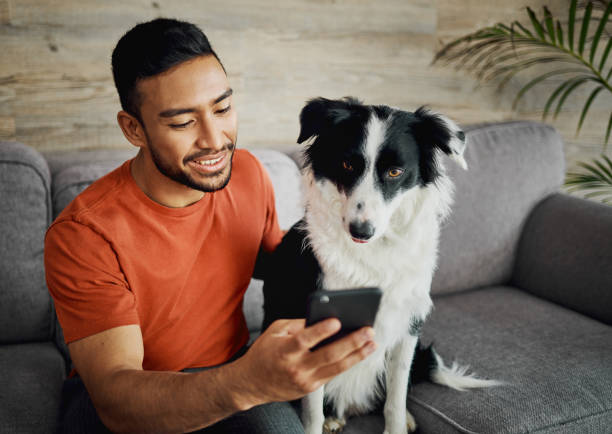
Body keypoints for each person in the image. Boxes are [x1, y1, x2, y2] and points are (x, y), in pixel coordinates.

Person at [44, 18, 377, 433]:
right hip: (128, 401)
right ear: (134, 129)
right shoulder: (83, 234)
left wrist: (362, 250)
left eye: (222, 108)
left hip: (233, 369)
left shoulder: (248, 174)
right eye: (183, 122)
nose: (214, 139)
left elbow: (276, 262)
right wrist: (245, 382)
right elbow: (116, 398)